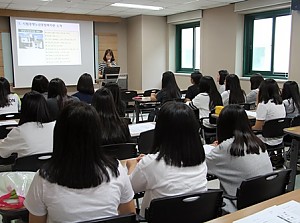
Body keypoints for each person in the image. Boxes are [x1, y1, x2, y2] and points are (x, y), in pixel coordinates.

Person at [24, 102, 135, 222]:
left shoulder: (43, 178)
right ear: (97, 134)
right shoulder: (116, 170)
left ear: (59, 135)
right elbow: (129, 215)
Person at [127, 101, 207, 217]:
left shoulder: (151, 164)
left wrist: (132, 165)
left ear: (160, 130)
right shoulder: (200, 159)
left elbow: (129, 189)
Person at [206, 104, 273, 213]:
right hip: (264, 200)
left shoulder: (227, 148)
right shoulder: (257, 142)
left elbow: (203, 165)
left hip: (240, 207)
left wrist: (216, 149)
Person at [0, 91, 55, 158]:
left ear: (24, 109)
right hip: (53, 167)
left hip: (26, 168)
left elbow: (2, 152)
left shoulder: (19, 131)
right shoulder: (56, 127)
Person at [252, 79, 286, 146]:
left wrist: (247, 128)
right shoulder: (280, 103)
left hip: (265, 139)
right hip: (279, 138)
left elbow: (258, 128)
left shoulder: (263, 105)